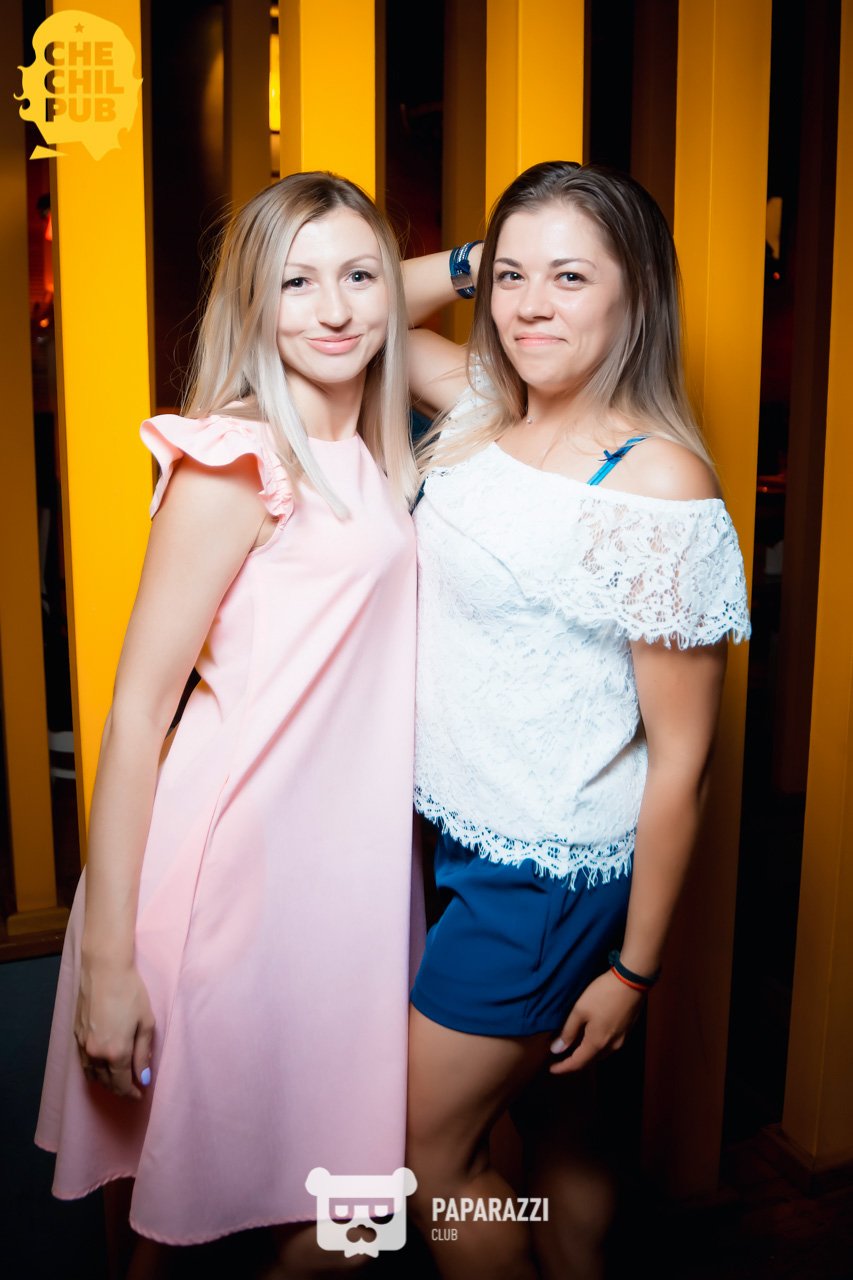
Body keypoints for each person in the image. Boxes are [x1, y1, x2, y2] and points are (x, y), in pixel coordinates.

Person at [35, 172, 422, 1271]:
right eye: (294, 283)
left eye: (359, 276)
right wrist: (108, 962)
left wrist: (462, 268)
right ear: (252, 301)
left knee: (352, 1211)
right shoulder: (235, 459)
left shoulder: (375, 452)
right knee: (177, 1223)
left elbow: (450, 338)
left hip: (346, 890)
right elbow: (135, 714)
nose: (334, 309)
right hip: (227, 887)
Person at [400, 161, 752, 1278]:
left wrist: (633, 972)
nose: (529, 305)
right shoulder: (481, 407)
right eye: (511, 277)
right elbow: (336, 307)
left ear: (634, 291)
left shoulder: (656, 483)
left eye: (568, 276)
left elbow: (683, 756)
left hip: (543, 871)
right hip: (458, 833)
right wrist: (475, 257)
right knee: (562, 1129)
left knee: (430, 1154)